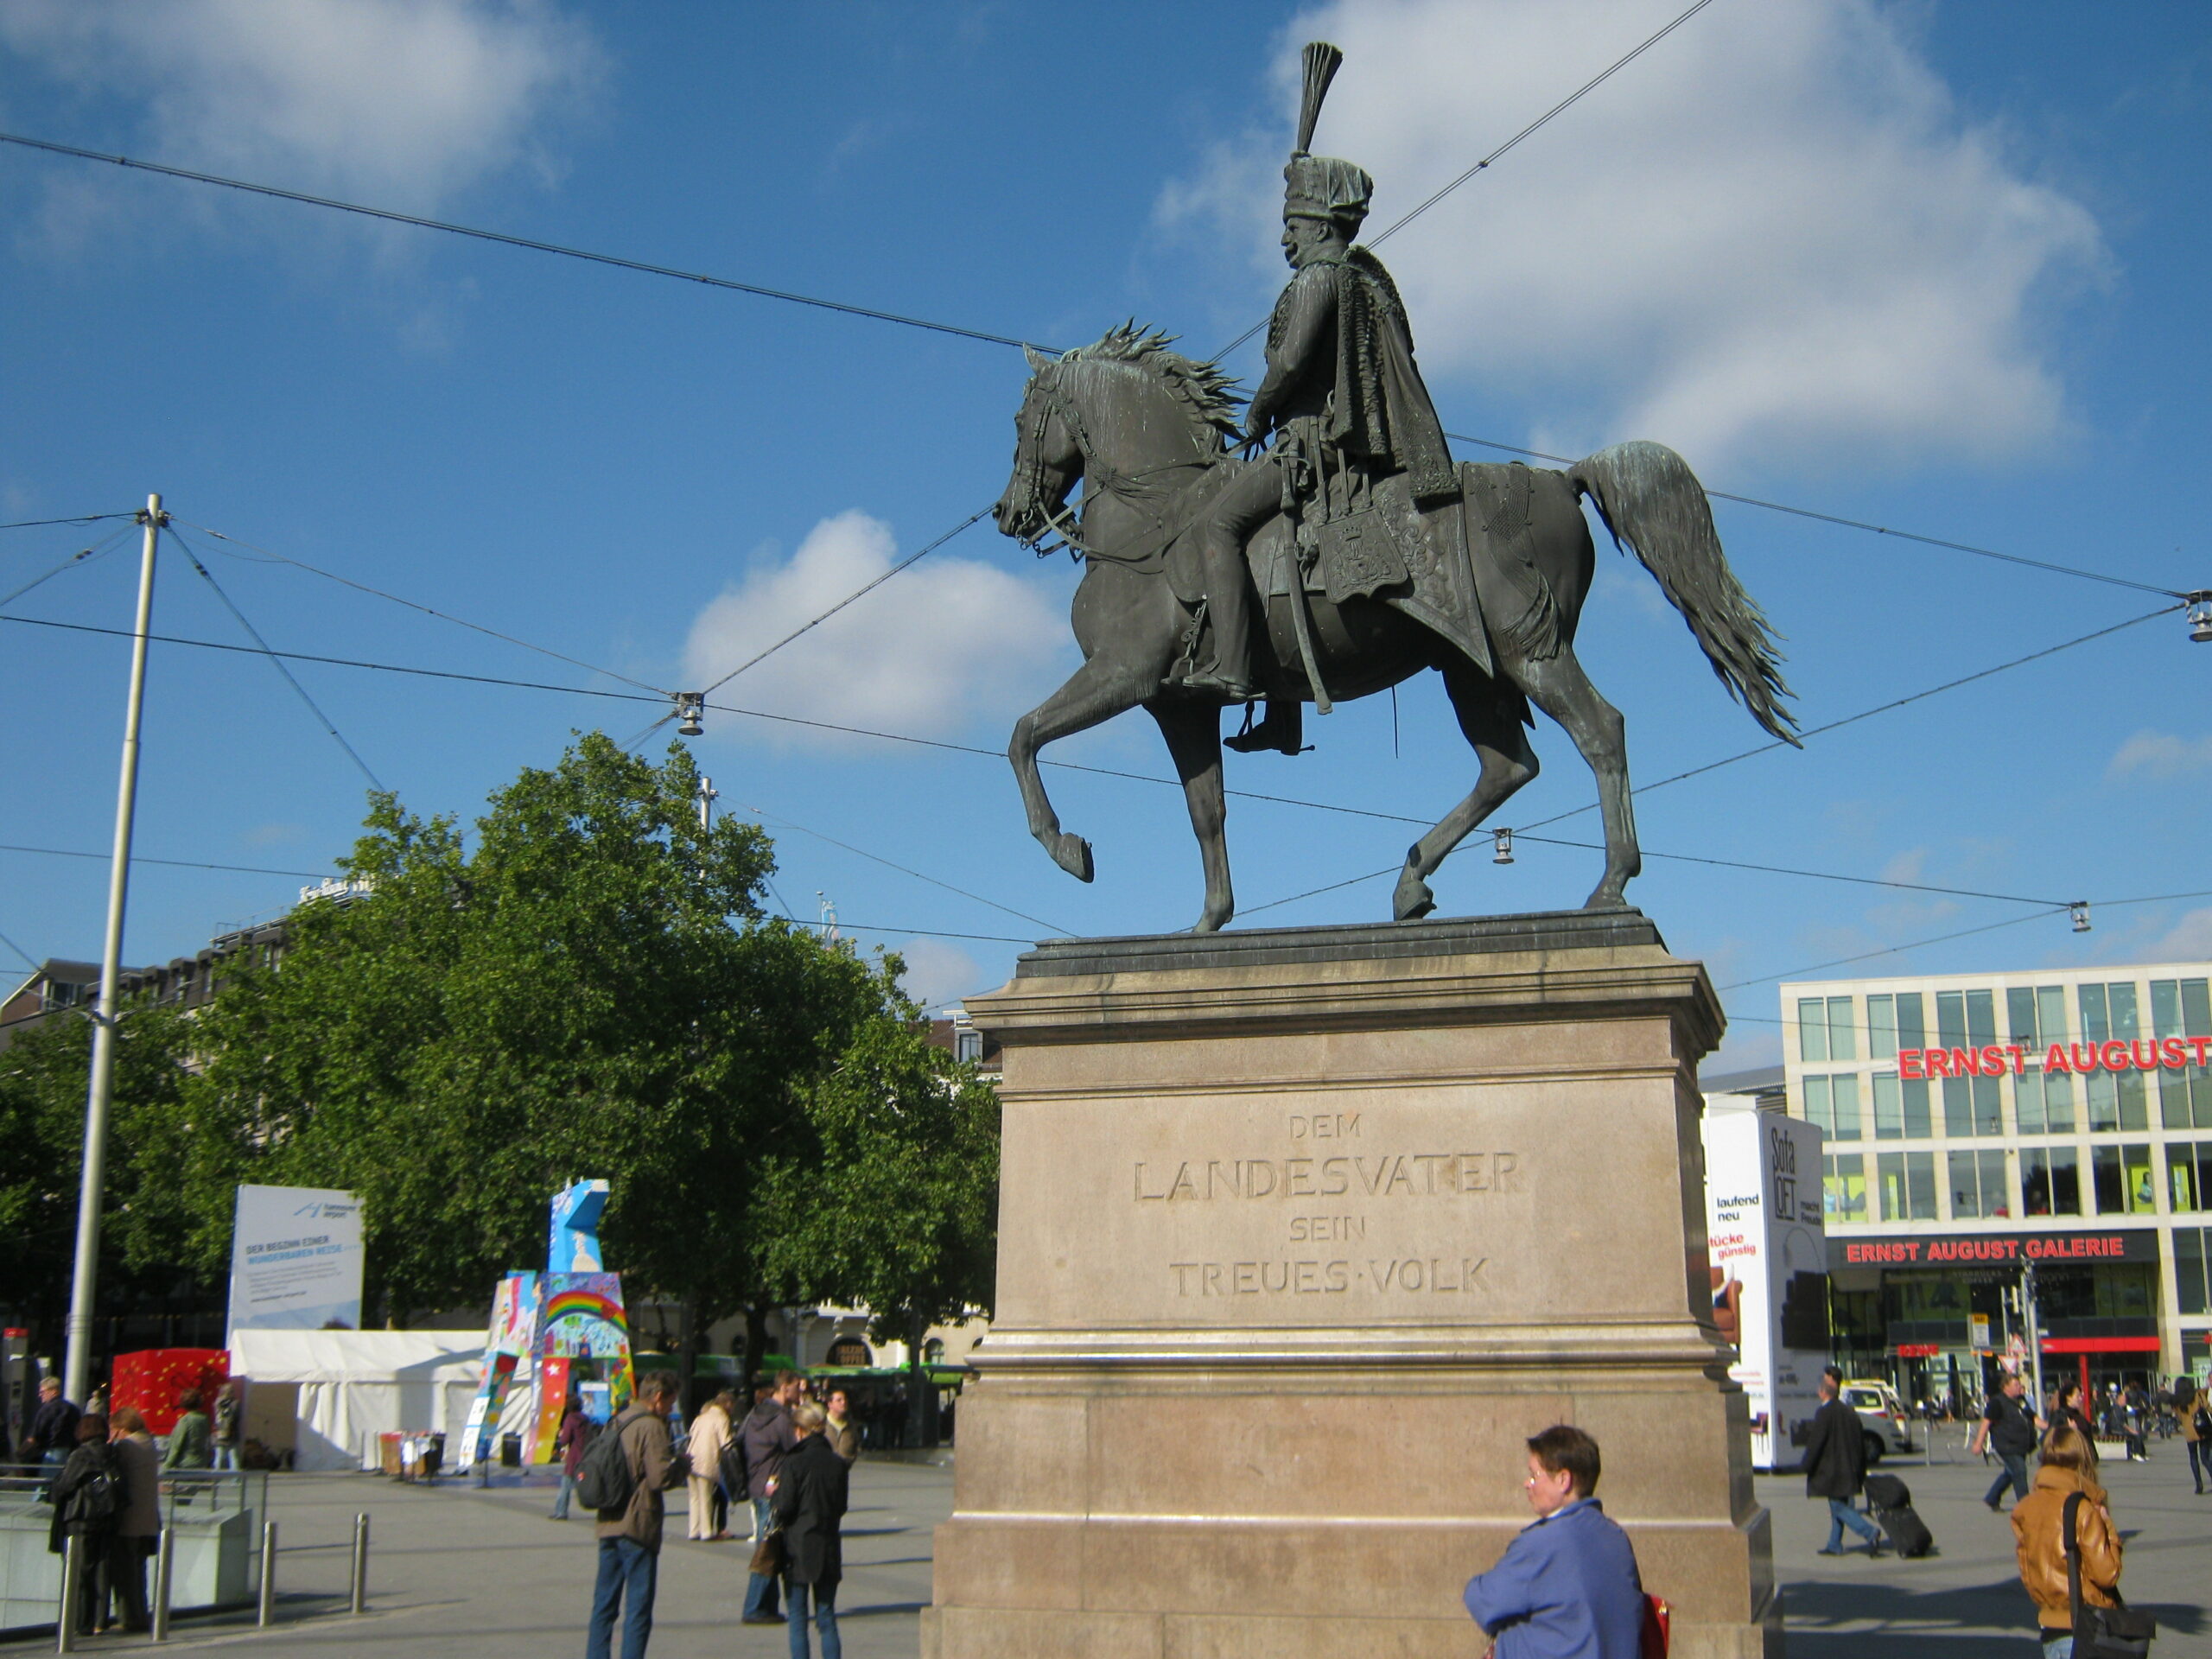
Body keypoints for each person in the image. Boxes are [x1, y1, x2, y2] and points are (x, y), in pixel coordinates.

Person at [1188, 67, 1455, 719]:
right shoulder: (1357, 278)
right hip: (1321, 452)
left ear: (1319, 226)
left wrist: (1254, 418)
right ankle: (1284, 710)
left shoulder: (1318, 282)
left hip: (1308, 451)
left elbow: (1286, 365)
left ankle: (1233, 668)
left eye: (1293, 226)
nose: (1285, 237)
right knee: (1264, 547)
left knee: (1217, 525)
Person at [1462, 1424, 1646, 1656]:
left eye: (1534, 1475)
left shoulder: (1545, 1542)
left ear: (1563, 1480)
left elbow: (1483, 1600)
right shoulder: (1615, 1537)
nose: (1527, 1484)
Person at [587, 1370, 685, 1659]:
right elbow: (658, 1478)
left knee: (603, 1606)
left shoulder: (617, 1420)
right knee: (638, 1610)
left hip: (608, 1520)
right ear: (657, 1398)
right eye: (670, 1402)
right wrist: (681, 1465)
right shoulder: (650, 1426)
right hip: (637, 1524)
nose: (670, 1408)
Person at [2012, 1422, 2122, 1657]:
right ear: (2083, 1457)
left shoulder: (2025, 1508)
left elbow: (2027, 1570)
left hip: (2049, 1622)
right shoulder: (2084, 1508)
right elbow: (2107, 1574)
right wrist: (2109, 1529)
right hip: (2086, 1623)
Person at [774, 1402, 850, 1659]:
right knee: (826, 1617)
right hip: (828, 1544)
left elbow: (784, 1507)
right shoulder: (837, 1464)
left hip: (797, 1546)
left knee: (797, 1618)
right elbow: (841, 1506)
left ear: (800, 1430)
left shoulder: (793, 1462)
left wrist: (773, 1495)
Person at [47, 1414, 118, 1634]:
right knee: (102, 1570)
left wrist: (52, 1490)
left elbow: (65, 1486)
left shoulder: (81, 1455)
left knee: (80, 1573)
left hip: (80, 1517)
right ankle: (99, 1621)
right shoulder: (112, 1453)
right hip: (107, 1517)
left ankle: (80, 1621)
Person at [741, 1372, 802, 1624]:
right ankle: (754, 1607)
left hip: (756, 1484)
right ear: (785, 1388)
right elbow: (796, 1449)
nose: (800, 1392)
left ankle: (767, 1606)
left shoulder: (755, 1413)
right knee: (767, 1549)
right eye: (797, 1387)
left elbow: (739, 1441)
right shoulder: (781, 1418)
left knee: (769, 1545)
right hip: (773, 1488)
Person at [1802, 1371, 1885, 1557]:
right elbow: (1859, 1441)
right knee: (1837, 1506)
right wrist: (1861, 1468)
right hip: (1851, 1467)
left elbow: (1817, 1441)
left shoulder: (1825, 1412)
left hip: (1833, 1470)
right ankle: (1834, 1544)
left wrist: (1807, 1464)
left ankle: (1869, 1532)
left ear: (1823, 1393)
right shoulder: (1849, 1412)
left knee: (1839, 1507)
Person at [107, 1408, 159, 1632]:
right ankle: (140, 1615)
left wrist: (111, 1443)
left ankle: (128, 1619)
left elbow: (109, 1463)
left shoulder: (127, 1447)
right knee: (139, 1571)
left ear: (122, 1428)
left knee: (124, 1571)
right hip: (148, 1518)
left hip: (129, 1518)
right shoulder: (150, 1443)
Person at [1974, 1372, 2042, 1512]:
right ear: (2006, 1387)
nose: (2019, 1387)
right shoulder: (1997, 1402)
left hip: (2021, 1445)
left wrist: (2054, 1427)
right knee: (2019, 1470)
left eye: (2019, 1384)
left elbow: (2034, 1419)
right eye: (2016, 1385)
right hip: (2006, 1443)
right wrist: (1978, 1443)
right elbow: (1986, 1422)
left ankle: (1992, 1497)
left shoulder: (2021, 1401)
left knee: (2011, 1473)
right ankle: (2025, 1505)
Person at [684, 1389, 734, 1541]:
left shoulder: (701, 1417)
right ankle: (706, 1532)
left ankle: (694, 1530)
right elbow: (726, 1443)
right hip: (707, 1460)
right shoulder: (722, 1418)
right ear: (727, 1403)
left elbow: (691, 1434)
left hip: (691, 1458)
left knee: (694, 1497)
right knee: (706, 1497)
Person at [550, 1393, 593, 1521]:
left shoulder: (570, 1418)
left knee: (565, 1485)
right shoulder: (585, 1419)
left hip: (573, 1456)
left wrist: (560, 1435)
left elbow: (565, 1439)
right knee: (584, 1483)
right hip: (585, 1454)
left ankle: (561, 1511)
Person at [27, 1376, 80, 1475]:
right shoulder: (73, 1409)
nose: (39, 1395)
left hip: (51, 1453)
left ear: (54, 1391)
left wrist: (21, 1454)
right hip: (71, 1454)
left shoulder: (46, 1409)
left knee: (45, 1485)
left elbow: (35, 1436)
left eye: (42, 1392)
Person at [162, 1389, 213, 1471]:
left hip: (185, 1465)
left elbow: (177, 1445)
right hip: (202, 1463)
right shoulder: (205, 1419)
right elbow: (208, 1443)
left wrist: (166, 1466)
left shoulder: (185, 1421)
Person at [2183, 1379, 2210, 1496]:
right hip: (2203, 1429)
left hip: (2189, 1431)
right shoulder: (2198, 1395)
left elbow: (2178, 1414)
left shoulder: (2179, 1399)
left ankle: (2199, 1485)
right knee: (2205, 1458)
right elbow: (2207, 1407)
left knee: (2193, 1458)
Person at [2050, 1380, 2096, 1446]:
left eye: (2081, 1396)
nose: (2081, 1399)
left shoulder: (2080, 1417)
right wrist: (2070, 1432)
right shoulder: (2060, 1416)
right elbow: (2053, 1439)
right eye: (2078, 1396)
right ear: (2068, 1397)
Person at [211, 1380, 242, 1471]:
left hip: (219, 1432)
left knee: (219, 1457)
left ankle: (216, 1478)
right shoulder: (236, 1403)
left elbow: (215, 1417)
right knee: (234, 1457)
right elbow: (236, 1418)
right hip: (232, 1432)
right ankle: (236, 1480)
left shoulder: (217, 1403)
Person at [823, 1389, 859, 1464]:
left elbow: (855, 1446)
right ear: (830, 1404)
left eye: (845, 1399)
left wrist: (849, 1460)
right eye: (839, 1400)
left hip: (843, 1470)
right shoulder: (822, 1424)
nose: (843, 1402)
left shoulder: (850, 1425)